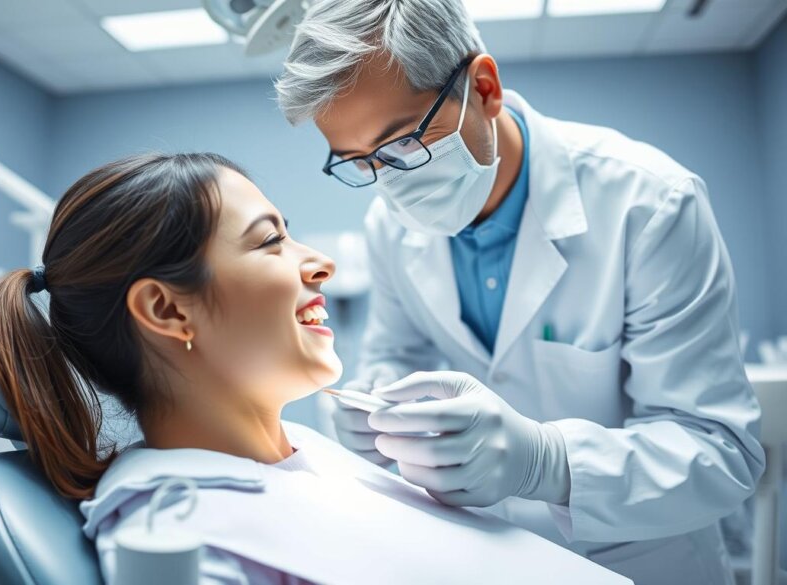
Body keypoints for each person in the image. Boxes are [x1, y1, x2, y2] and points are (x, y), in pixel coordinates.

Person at [273, 1, 765, 583]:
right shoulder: (391, 228)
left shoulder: (649, 203)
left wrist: (547, 462)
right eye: (359, 163)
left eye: (402, 145)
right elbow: (393, 357)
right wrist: (375, 409)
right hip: (489, 555)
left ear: (483, 89)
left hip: (643, 559)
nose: (389, 186)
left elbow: (720, 453)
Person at [0, 153, 628, 585]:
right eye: (269, 241)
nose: (320, 264)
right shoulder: (180, 535)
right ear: (167, 308)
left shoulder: (297, 452)